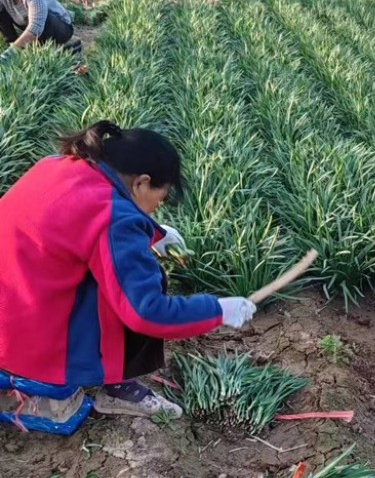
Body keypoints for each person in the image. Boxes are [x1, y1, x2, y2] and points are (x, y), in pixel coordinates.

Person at [0, 121, 257, 420]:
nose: (154, 210)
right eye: (159, 200)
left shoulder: (59, 165)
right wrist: (217, 310)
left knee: (121, 273)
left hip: (13, 302)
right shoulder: (115, 219)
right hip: (25, 339)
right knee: (139, 284)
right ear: (141, 183)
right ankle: (117, 388)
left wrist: (152, 233)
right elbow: (147, 312)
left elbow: (76, 226)